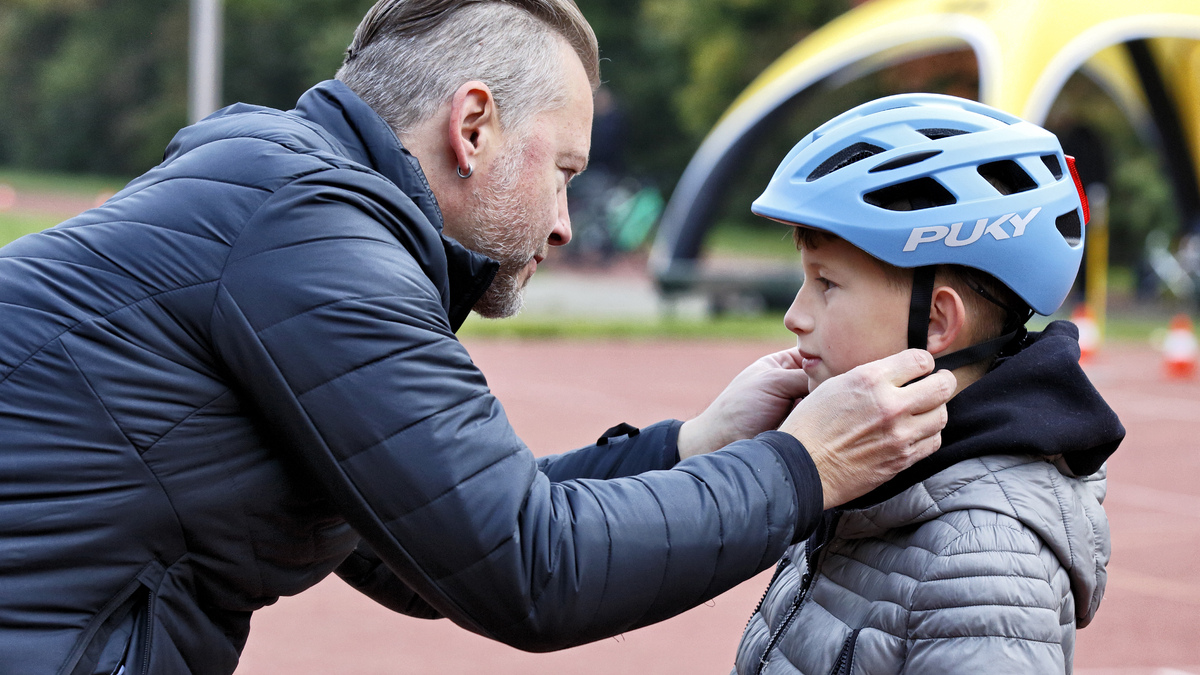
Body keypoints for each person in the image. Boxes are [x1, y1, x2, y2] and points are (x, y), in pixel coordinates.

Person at [0, 2, 957, 673]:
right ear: (474, 124)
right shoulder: (309, 233)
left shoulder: (281, 202)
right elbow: (528, 569)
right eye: (564, 169)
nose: (566, 223)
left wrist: (696, 446)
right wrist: (806, 467)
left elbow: (435, 545)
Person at [734, 93, 1126, 675]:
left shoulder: (987, 560)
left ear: (938, 322)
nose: (796, 315)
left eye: (827, 284)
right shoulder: (868, 467)